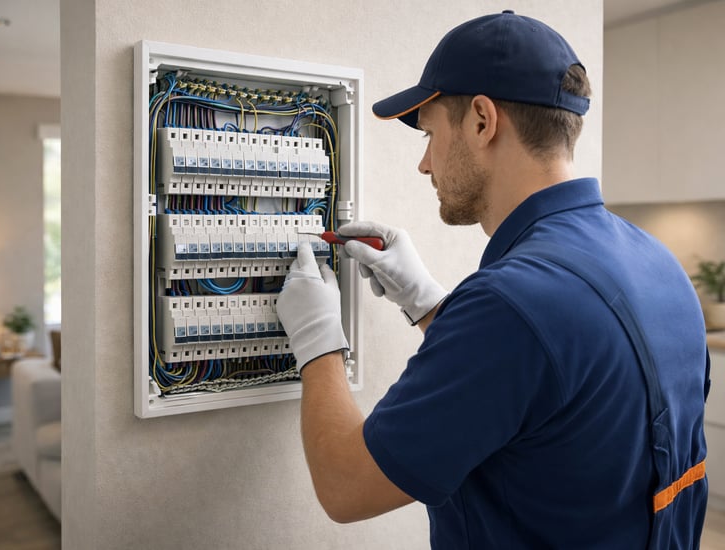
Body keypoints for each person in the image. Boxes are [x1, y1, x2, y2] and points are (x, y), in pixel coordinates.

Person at [276, 10, 710, 549]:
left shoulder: (511, 306)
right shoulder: (657, 264)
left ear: (483, 120)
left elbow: (345, 487)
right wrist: (430, 305)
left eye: (431, 133)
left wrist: (317, 339)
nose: (425, 164)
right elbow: (540, 399)